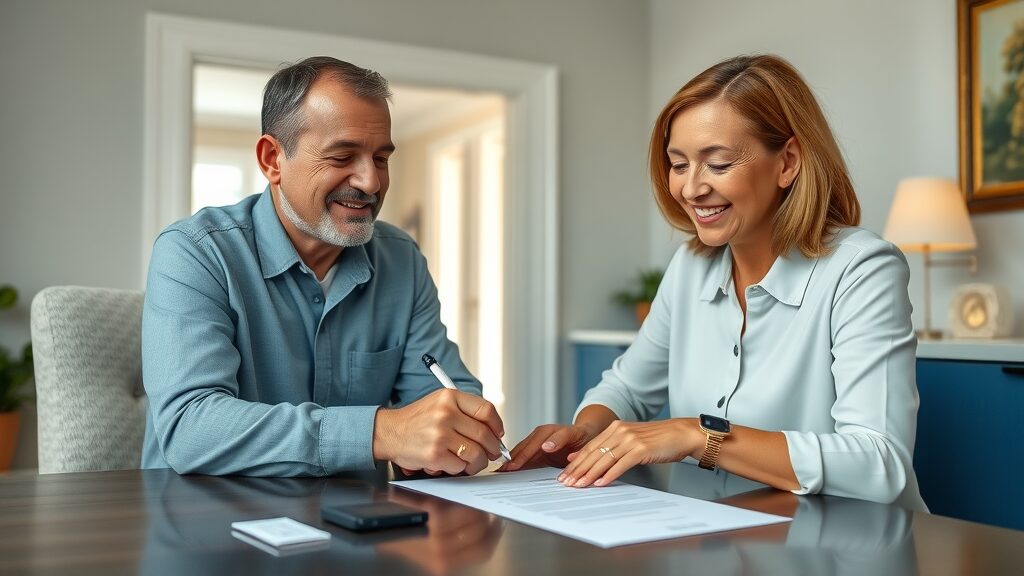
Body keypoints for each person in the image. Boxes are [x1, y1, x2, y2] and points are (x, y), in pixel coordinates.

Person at [504, 54, 926, 510]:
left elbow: (880, 463)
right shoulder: (690, 266)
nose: (690, 189)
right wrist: (587, 433)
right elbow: (626, 389)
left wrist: (698, 435)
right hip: (722, 528)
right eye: (678, 164)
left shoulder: (862, 268)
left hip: (853, 538)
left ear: (787, 162)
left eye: (718, 164)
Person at [141, 56, 505, 477]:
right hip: (208, 514)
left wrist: (460, 434)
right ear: (272, 159)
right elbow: (189, 428)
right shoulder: (195, 252)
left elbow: (441, 398)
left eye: (381, 158)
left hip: (363, 516)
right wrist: (381, 432)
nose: (371, 182)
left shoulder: (401, 259)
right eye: (342, 157)